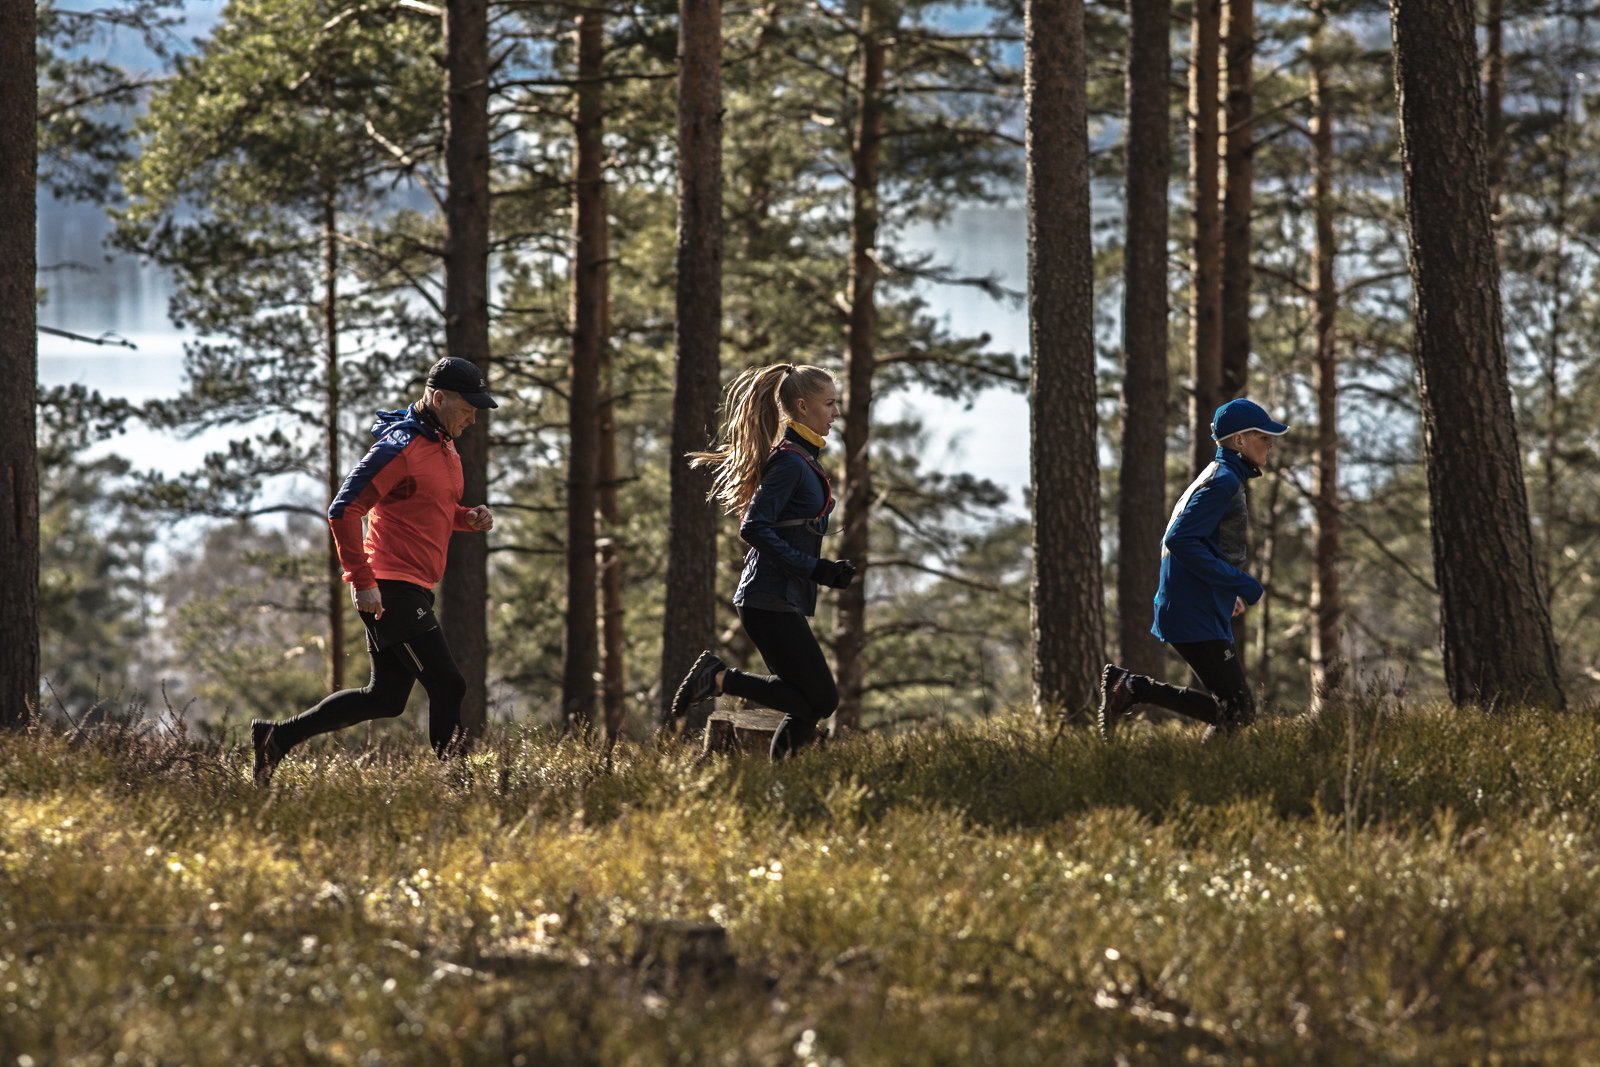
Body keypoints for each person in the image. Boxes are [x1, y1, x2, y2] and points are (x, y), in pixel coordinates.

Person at [251, 357, 498, 785]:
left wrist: (466, 518)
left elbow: (429, 506)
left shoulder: (443, 442)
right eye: (467, 408)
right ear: (439, 399)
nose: (473, 419)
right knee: (448, 684)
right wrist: (362, 581)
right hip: (389, 586)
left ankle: (276, 738)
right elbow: (343, 510)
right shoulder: (400, 448)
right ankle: (458, 786)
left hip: (413, 585)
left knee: (385, 699)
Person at [666, 362, 857, 758]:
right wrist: (816, 569)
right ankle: (718, 678)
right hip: (766, 598)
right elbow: (754, 528)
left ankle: (781, 782)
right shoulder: (790, 461)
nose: (836, 412)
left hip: (780, 597)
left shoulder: (804, 458)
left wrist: (827, 571)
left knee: (811, 703)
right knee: (821, 698)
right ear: (802, 407)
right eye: (829, 404)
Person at [1098, 397, 1289, 740]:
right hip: (1192, 609)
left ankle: (1135, 690)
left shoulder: (1221, 475)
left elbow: (1200, 542)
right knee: (1238, 710)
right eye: (1263, 436)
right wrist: (1239, 582)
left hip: (1198, 604)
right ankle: (1133, 687)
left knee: (1234, 710)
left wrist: (1225, 590)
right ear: (1239, 440)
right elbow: (1179, 540)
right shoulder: (1222, 481)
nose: (1270, 444)